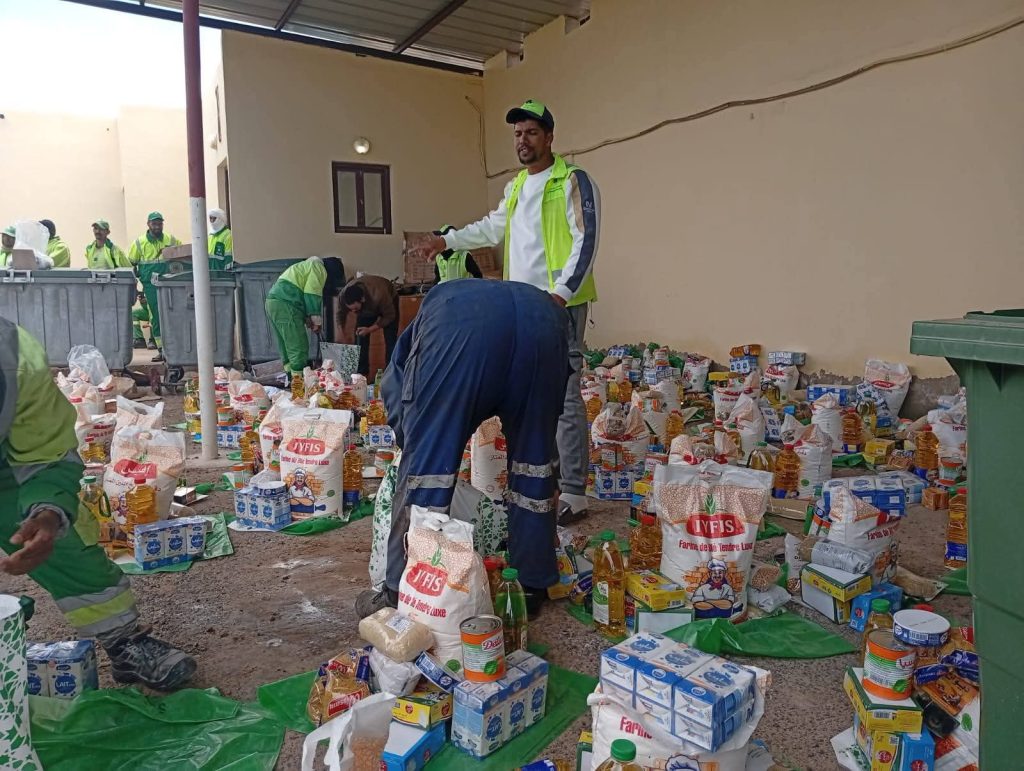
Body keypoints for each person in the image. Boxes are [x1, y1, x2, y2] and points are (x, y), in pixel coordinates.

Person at [413, 100, 600, 526]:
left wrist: (561, 294)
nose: (523, 140)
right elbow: (492, 227)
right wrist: (447, 241)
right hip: (522, 307)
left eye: (531, 132)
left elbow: (585, 239)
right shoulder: (517, 186)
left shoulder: (572, 180)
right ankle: (541, 481)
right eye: (517, 133)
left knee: (565, 394)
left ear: (549, 137)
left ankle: (574, 491)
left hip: (558, 305)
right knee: (531, 393)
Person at [0, 318, 196, 690]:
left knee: (61, 539)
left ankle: (122, 641)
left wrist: (48, 510)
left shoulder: (17, 360)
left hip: (4, 464)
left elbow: (46, 454)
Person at [355, 279, 569, 619]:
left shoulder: (416, 341)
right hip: (544, 322)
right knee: (534, 465)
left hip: (462, 330)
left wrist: (412, 446)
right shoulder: (440, 309)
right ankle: (531, 584)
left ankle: (401, 591)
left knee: (427, 476)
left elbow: (406, 413)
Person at [126, 212, 181, 362]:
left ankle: (175, 348)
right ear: (148, 224)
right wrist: (135, 286)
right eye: (154, 223)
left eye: (159, 223)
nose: (157, 226)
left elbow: (182, 255)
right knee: (156, 316)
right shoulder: (139, 243)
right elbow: (131, 264)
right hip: (150, 285)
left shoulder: (171, 239)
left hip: (170, 283)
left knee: (173, 315)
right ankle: (162, 349)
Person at [265, 256, 327, 378]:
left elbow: (300, 292)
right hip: (287, 304)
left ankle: (290, 378)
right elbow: (312, 293)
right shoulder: (318, 267)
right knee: (298, 345)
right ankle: (298, 383)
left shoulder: (300, 267)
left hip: (272, 303)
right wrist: (316, 321)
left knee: (286, 344)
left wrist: (307, 319)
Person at [340, 274, 399, 377]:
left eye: (355, 309)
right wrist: (342, 333)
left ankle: (390, 374)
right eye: (351, 310)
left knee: (390, 339)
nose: (353, 312)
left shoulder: (380, 295)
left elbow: (389, 317)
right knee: (360, 336)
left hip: (389, 299)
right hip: (367, 303)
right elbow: (340, 315)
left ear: (362, 299)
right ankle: (361, 374)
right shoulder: (343, 296)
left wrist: (370, 329)